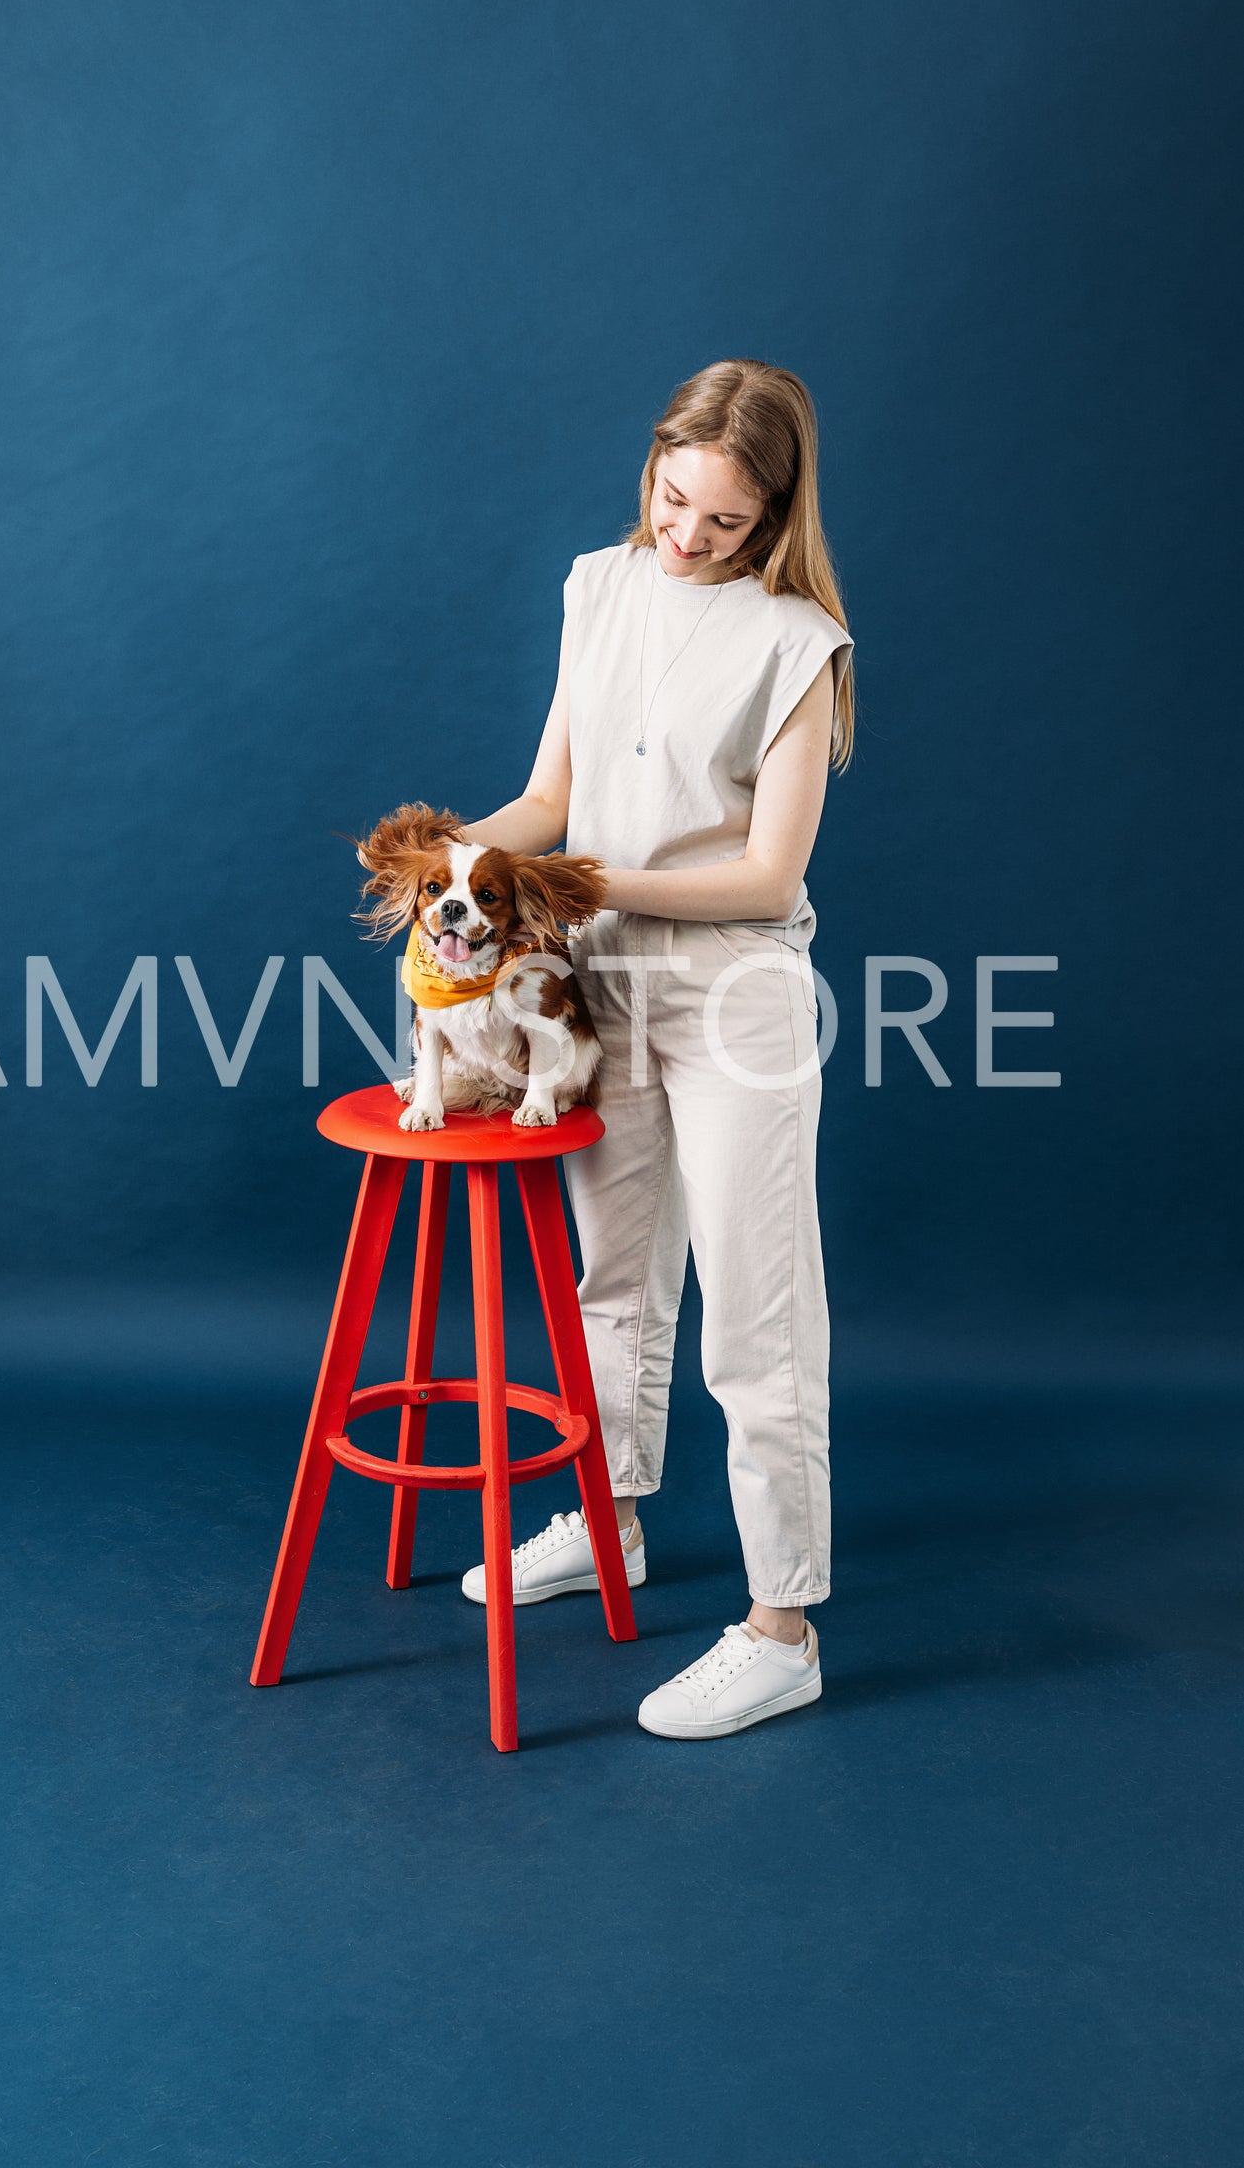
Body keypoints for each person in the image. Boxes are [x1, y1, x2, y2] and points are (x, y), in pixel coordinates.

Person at [459, 358, 855, 1739]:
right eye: (669, 499)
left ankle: (780, 1626)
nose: (684, 537)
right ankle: (609, 1521)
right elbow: (551, 796)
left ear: (774, 516)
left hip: (734, 992)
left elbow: (763, 875)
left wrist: (588, 884)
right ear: (651, 465)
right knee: (611, 1274)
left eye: (722, 523)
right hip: (595, 982)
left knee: (756, 1317)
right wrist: (461, 859)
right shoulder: (597, 585)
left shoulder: (797, 646)